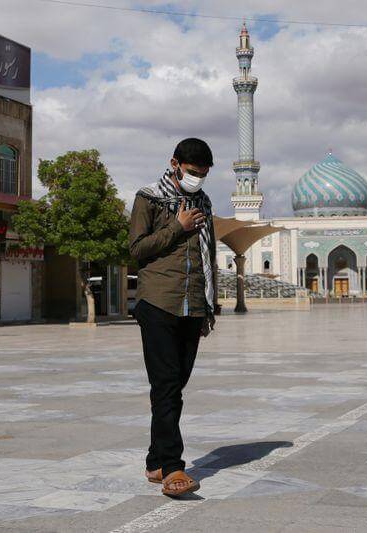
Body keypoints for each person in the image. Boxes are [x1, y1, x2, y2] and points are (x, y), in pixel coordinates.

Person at [128, 138, 218, 497]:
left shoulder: (204, 202)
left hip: (192, 306)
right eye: (193, 172)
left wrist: (210, 305)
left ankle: (154, 460)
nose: (197, 179)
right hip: (158, 304)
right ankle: (172, 468)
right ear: (175, 163)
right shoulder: (148, 197)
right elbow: (136, 250)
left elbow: (208, 255)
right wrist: (176, 227)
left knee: (173, 387)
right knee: (166, 387)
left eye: (203, 174)